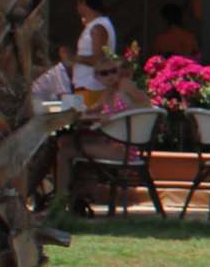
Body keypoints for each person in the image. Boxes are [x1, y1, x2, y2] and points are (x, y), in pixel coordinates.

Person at [53, 56, 149, 209]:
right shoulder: (108, 93)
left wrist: (117, 116)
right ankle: (74, 196)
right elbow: (90, 111)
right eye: (104, 73)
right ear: (96, 77)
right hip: (113, 144)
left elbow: (146, 104)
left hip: (124, 149)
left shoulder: (124, 85)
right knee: (64, 141)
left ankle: (58, 203)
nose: (110, 76)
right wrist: (77, 111)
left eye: (113, 71)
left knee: (65, 152)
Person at [71, 0, 117, 109]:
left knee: (85, 120)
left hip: (91, 88)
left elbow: (99, 60)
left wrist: (73, 58)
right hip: (84, 87)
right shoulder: (96, 25)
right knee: (73, 117)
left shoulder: (98, 27)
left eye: (78, 4)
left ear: (83, 3)